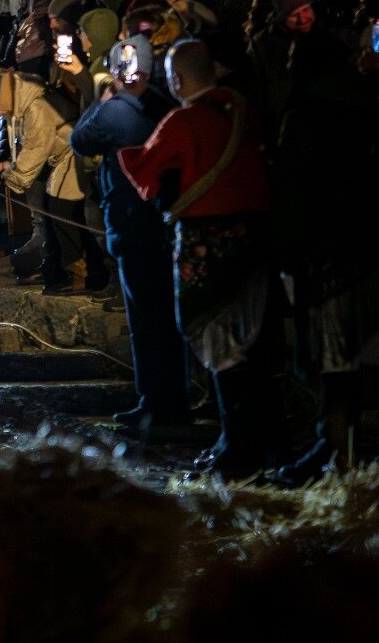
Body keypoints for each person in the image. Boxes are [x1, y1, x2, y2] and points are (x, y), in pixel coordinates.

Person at [119, 40, 283, 478]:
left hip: (204, 239)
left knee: (213, 335)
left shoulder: (183, 120)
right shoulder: (243, 111)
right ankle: (256, 442)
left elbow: (146, 174)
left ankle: (235, 447)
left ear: (175, 80)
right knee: (251, 338)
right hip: (256, 233)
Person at [69, 37, 191, 431]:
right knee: (166, 318)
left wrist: (100, 98)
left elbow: (79, 140)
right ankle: (174, 400)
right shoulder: (165, 105)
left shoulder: (116, 111)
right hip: (165, 222)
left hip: (129, 221)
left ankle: (156, 403)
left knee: (144, 320)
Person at [0, 70, 92, 293]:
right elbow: (29, 148)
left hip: (72, 156)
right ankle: (60, 270)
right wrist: (4, 165)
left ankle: (80, 273)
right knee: (53, 211)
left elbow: (34, 151)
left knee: (60, 211)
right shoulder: (23, 104)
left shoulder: (36, 108)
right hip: (62, 157)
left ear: (5, 99)